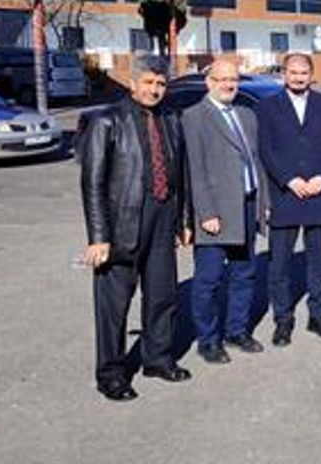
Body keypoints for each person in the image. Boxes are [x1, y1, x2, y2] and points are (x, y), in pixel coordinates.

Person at [80, 54, 191, 402]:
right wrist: (98, 237)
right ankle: (111, 374)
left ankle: (157, 359)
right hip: (122, 224)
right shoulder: (107, 121)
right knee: (114, 306)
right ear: (132, 83)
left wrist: (182, 220)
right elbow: (93, 183)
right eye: (148, 82)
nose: (154, 90)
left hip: (162, 218)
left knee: (162, 296)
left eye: (161, 84)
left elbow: (181, 174)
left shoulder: (171, 118)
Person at [183, 58, 269, 363]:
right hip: (216, 213)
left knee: (244, 274)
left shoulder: (246, 115)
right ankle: (208, 340)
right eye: (222, 79)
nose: (229, 85)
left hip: (246, 205)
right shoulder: (194, 117)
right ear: (209, 82)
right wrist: (206, 212)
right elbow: (195, 170)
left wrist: (264, 204)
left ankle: (236, 330)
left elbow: (256, 162)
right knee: (208, 280)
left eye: (233, 79)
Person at [257, 52, 321, 345]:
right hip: (285, 195)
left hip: (318, 193)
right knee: (279, 263)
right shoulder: (268, 106)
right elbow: (266, 149)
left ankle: (319, 316)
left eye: (303, 73)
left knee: (318, 261)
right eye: (293, 72)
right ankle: (283, 320)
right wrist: (289, 179)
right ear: (284, 74)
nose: (298, 78)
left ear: (311, 75)